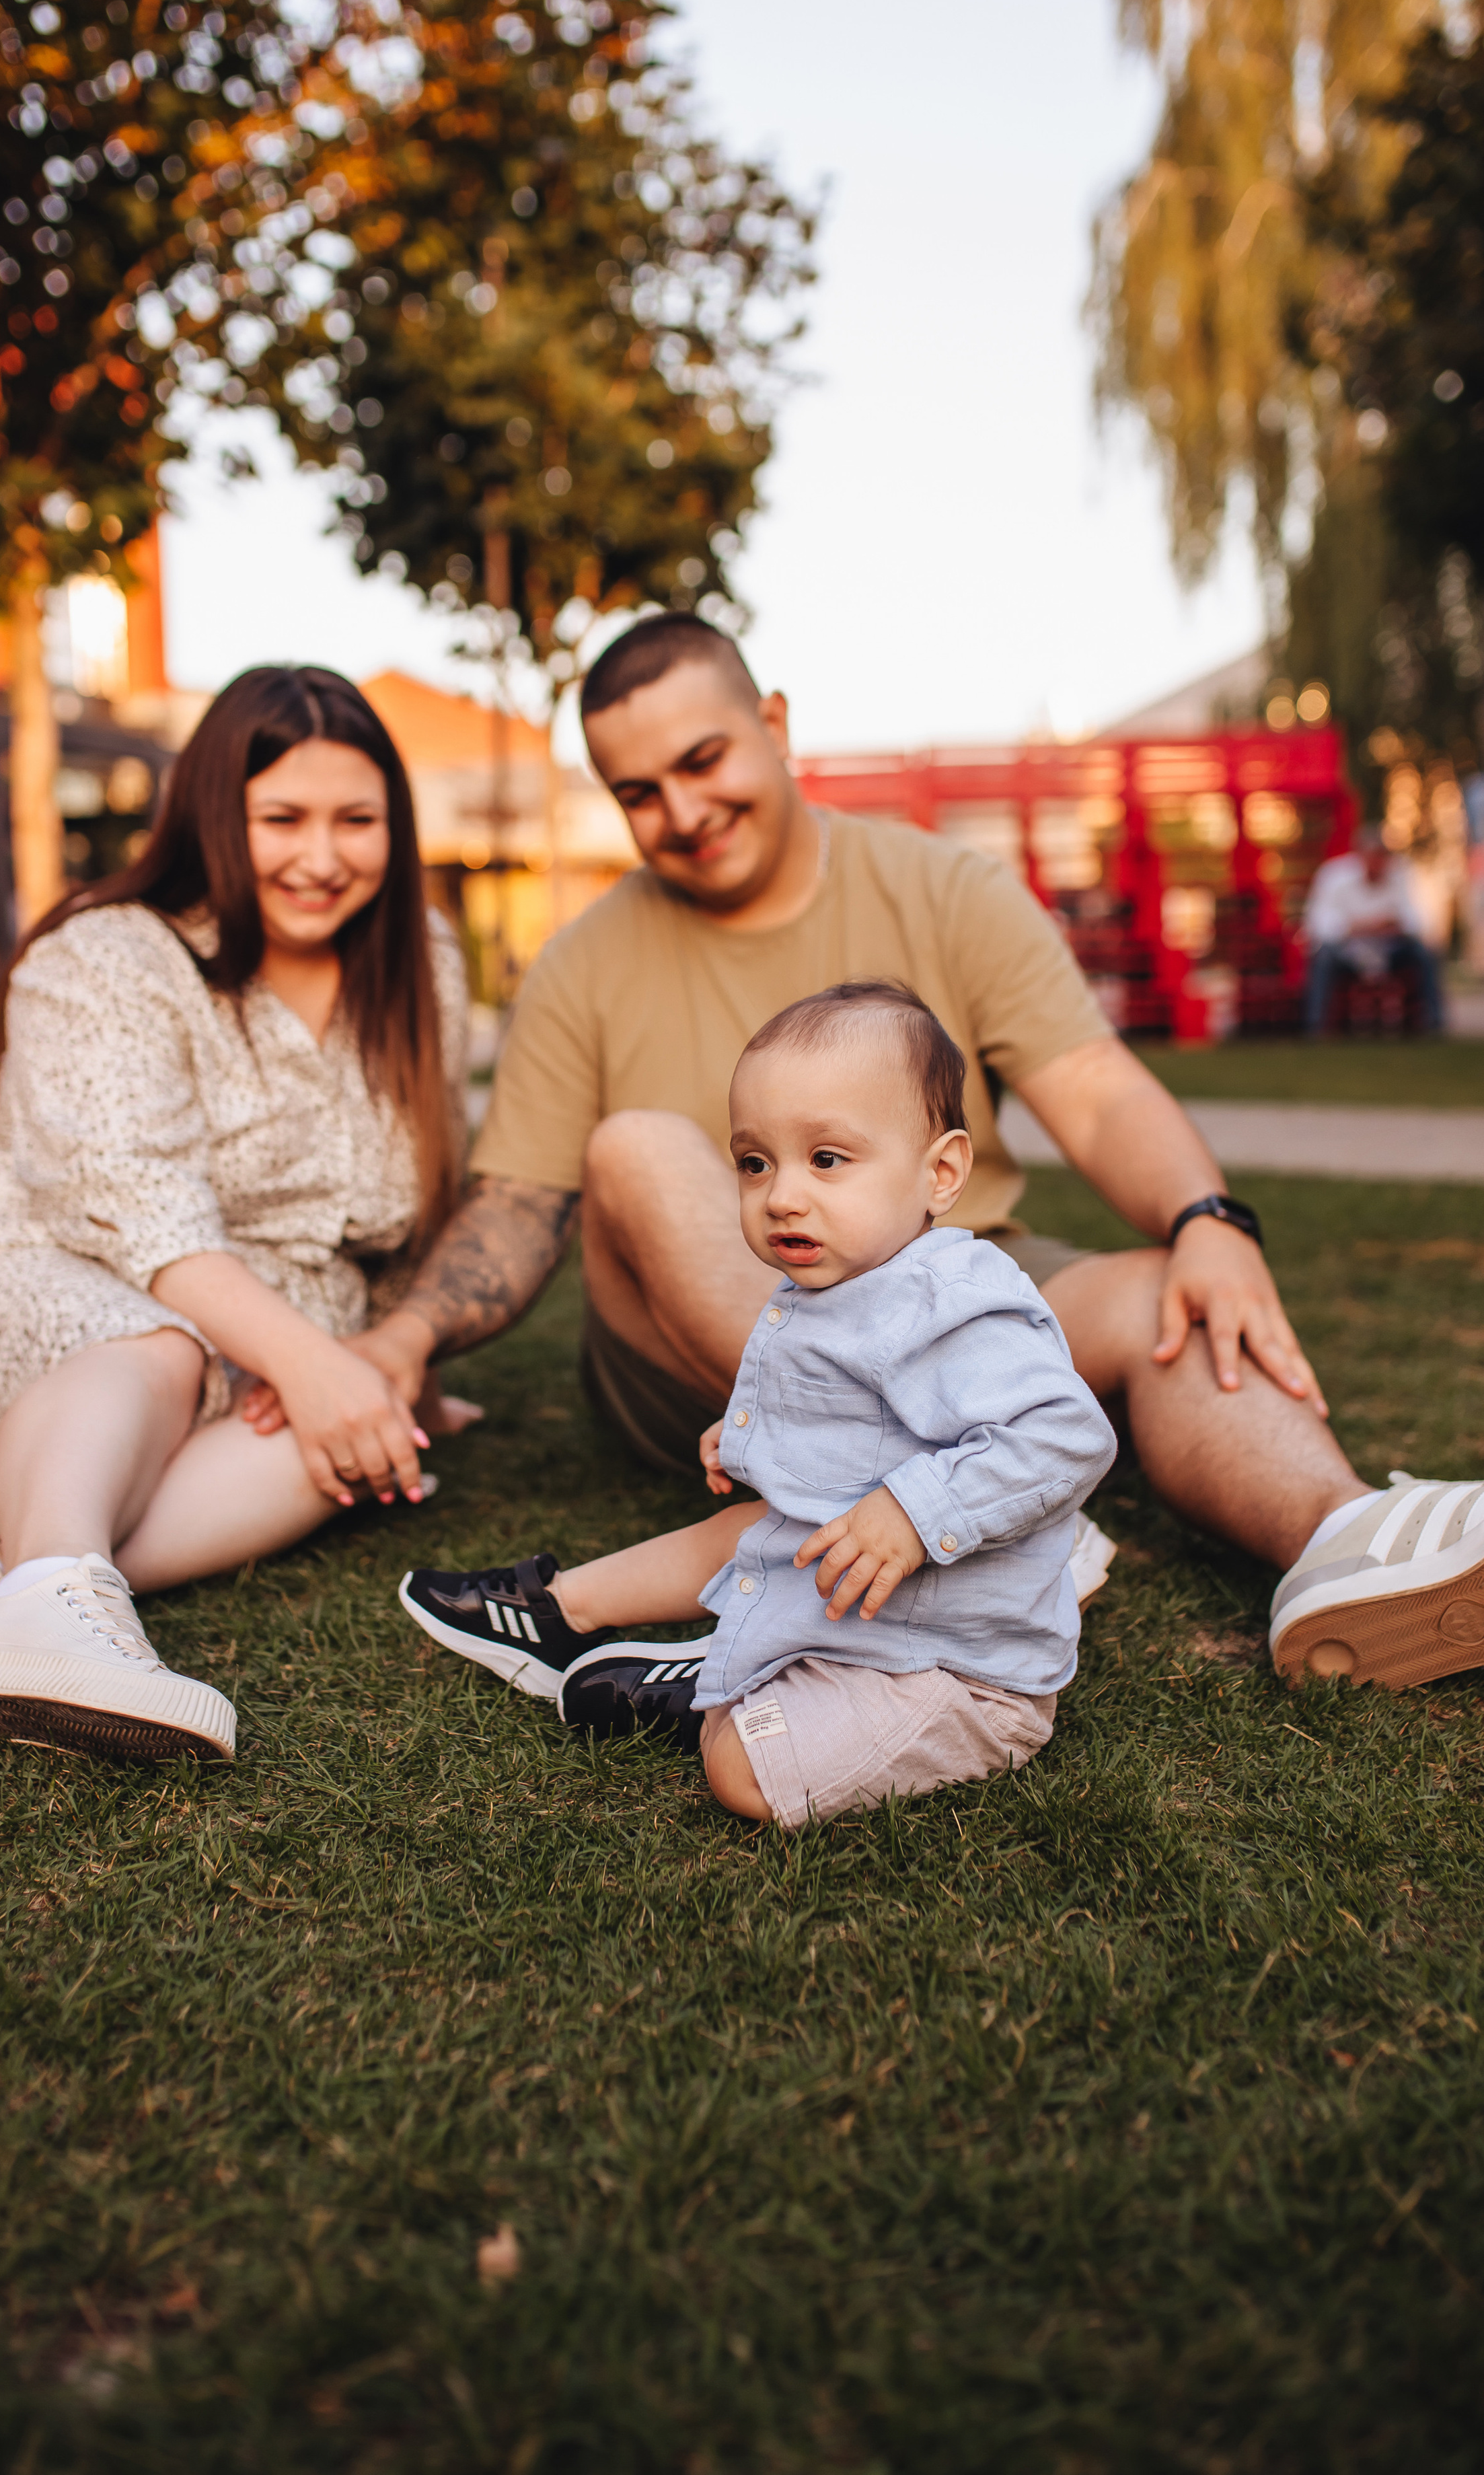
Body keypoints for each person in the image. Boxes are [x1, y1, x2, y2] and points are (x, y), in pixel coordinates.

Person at [356, 613, 1484, 1694]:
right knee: (641, 1149)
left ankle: (1344, 1547)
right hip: (721, 1351)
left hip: (951, 1278)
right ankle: (971, 1503)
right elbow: (517, 1203)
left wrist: (1208, 1222)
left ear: (777, 725)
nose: (685, 810)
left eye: (704, 759)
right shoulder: (581, 964)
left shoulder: (947, 888)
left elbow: (1089, 1090)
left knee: (1161, 1295)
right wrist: (406, 1338)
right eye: (640, 793)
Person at [0, 666, 472, 1762]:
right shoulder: (108, 951)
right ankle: (59, 1604)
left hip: (266, 1321)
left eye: (358, 820)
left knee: (339, 1446)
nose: (323, 856)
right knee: (171, 1348)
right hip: (31, 1262)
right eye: (280, 818)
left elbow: (412, 1196)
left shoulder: (421, 961)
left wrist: (381, 1355)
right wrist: (309, 1358)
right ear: (211, 817)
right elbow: (132, 1204)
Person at [400, 983, 1119, 1828]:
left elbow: (1065, 1434)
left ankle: (717, 1690)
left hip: (952, 1672)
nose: (781, 1195)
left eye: (826, 1160)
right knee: (745, 1530)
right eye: (754, 1162)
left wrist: (913, 1512)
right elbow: (847, 1415)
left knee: (740, 1772)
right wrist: (748, 1434)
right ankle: (559, 1614)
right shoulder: (849, 1273)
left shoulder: (954, 1303)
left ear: (941, 1172)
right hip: (869, 1605)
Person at [1302, 824, 1445, 1034]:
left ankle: (1432, 1022)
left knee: (1425, 953)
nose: (1379, 864)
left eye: (1382, 858)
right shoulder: (1334, 876)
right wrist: (1364, 926)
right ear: (1359, 855)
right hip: (1347, 950)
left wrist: (1394, 926)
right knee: (1323, 957)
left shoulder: (1400, 875)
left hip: (1389, 948)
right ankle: (1315, 1025)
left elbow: (1416, 921)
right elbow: (1318, 924)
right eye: (1373, 857)